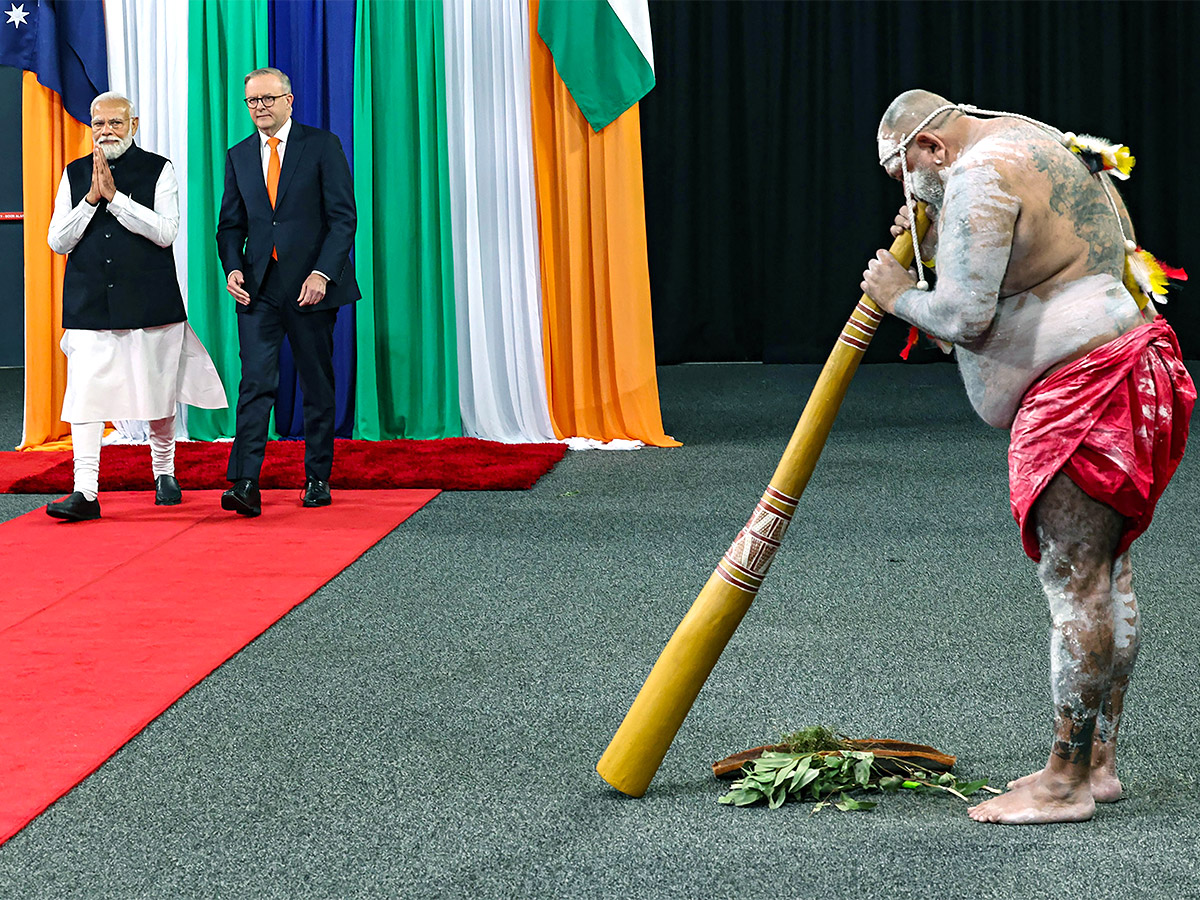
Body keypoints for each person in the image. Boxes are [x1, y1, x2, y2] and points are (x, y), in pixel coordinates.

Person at [862, 90, 1195, 825]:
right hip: (1135, 365)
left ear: (930, 149)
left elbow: (961, 319)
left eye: (902, 174)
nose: (907, 190)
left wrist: (894, 294)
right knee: (1106, 576)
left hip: (1089, 387)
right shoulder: (1031, 139)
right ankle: (1097, 763)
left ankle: (1065, 781)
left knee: (1077, 586)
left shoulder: (979, 174)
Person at [45, 91, 227, 522]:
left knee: (157, 392)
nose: (107, 131)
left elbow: (166, 232)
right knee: (85, 398)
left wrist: (117, 200)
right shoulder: (73, 175)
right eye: (99, 124)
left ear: (134, 124)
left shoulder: (159, 169)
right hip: (90, 303)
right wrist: (91, 200)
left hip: (150, 301)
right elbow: (57, 241)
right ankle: (85, 491)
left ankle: (164, 470)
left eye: (116, 123)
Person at [216, 67, 359, 517]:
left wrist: (322, 275)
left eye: (267, 99)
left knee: (316, 382)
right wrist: (233, 268)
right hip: (258, 290)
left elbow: (343, 219)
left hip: (311, 287)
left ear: (289, 100)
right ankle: (245, 482)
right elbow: (230, 226)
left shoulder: (321, 146)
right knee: (255, 382)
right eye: (252, 102)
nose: (259, 108)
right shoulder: (238, 155)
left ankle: (317, 476)